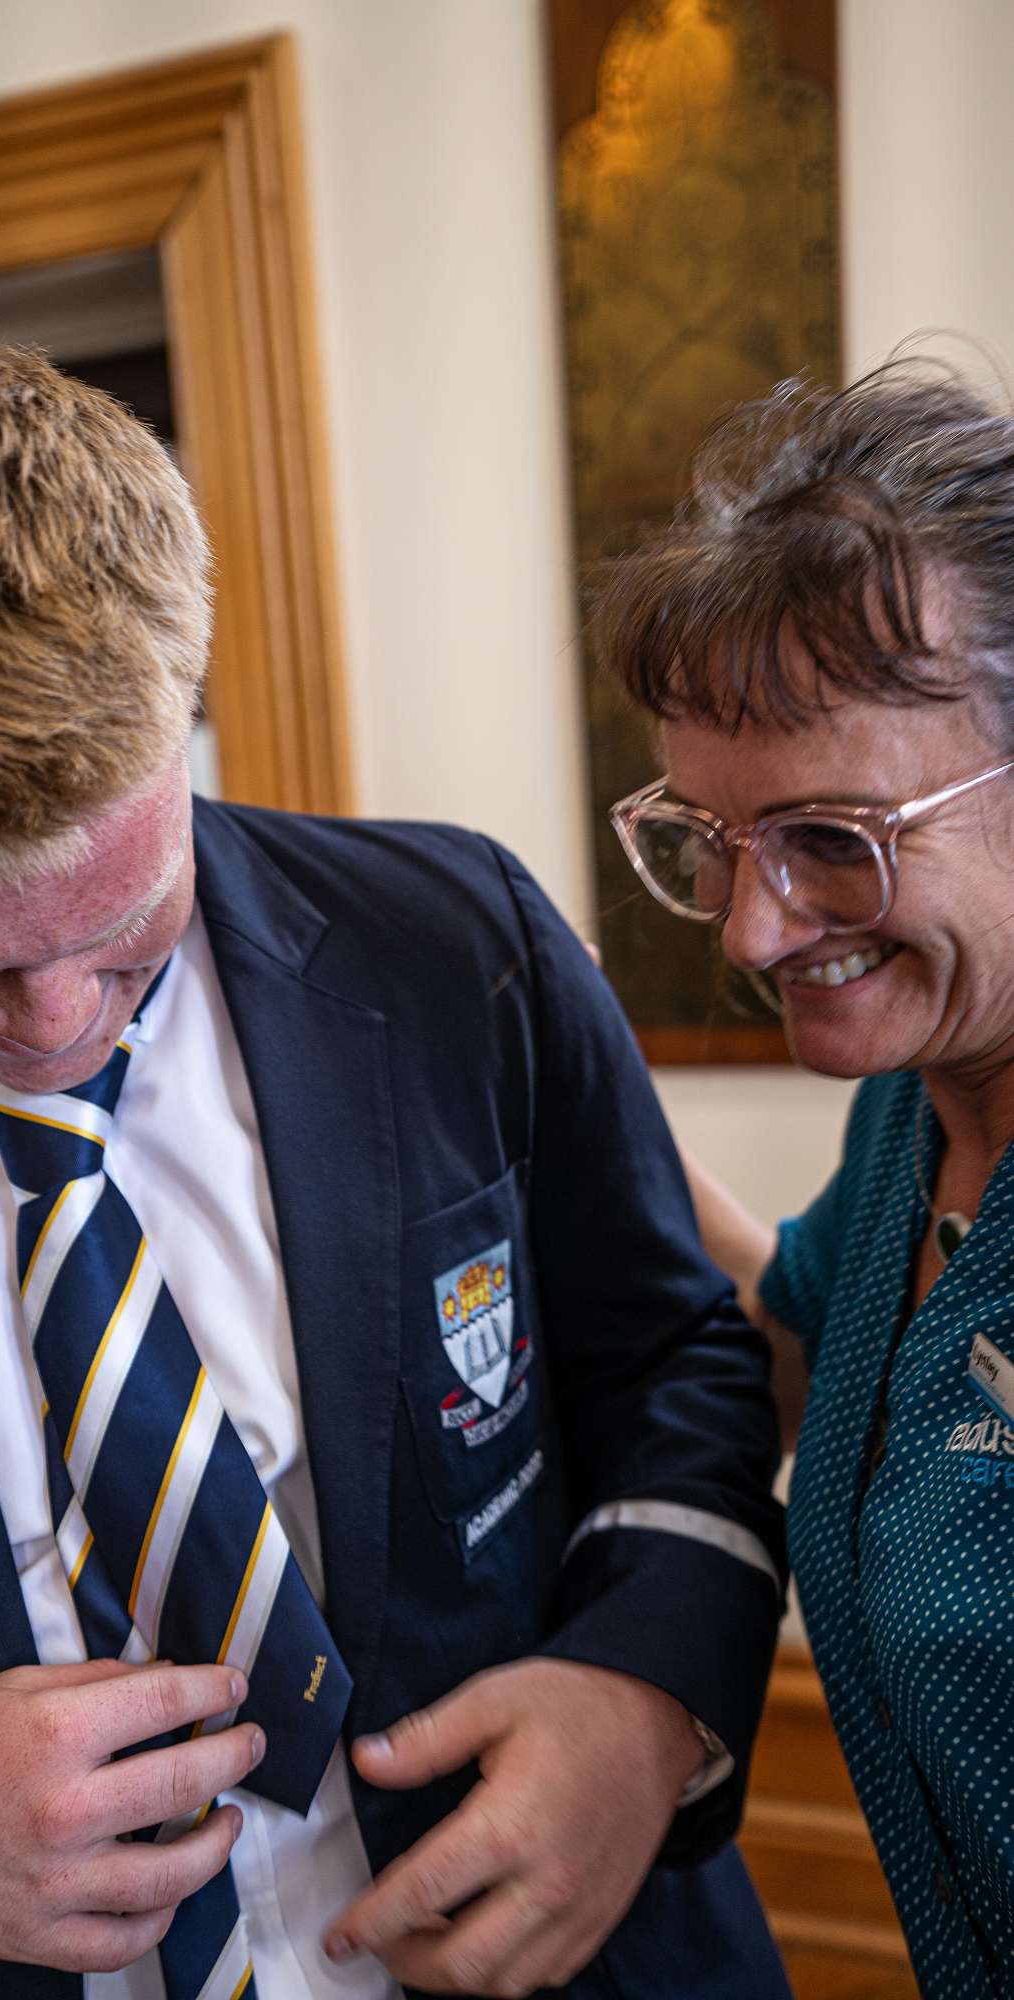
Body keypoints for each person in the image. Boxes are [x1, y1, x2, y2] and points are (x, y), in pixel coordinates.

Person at [0, 331, 788, 2000]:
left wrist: (646, 1696)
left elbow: (676, 1355)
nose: (53, 1023)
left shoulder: (456, 939)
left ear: (178, 718)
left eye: (122, 926)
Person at [597, 360, 1014, 2000]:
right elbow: (795, 1326)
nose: (753, 931)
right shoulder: (915, 1117)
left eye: (834, 839)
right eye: (709, 843)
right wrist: (558, 1077)